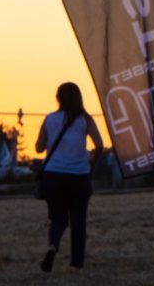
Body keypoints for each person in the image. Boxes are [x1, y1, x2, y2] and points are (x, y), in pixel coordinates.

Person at [35, 82, 104, 273]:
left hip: (53, 175)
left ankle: (52, 246)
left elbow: (39, 147)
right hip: (79, 176)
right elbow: (99, 144)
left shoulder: (49, 119)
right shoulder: (85, 120)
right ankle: (76, 264)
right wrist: (91, 160)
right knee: (78, 221)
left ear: (57, 98)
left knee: (57, 218)